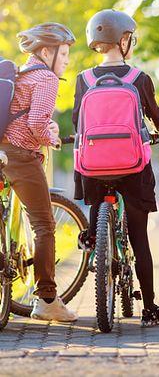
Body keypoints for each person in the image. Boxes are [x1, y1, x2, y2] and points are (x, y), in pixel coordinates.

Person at [72, 9, 159, 327]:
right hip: (133, 166)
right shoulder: (138, 78)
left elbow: (78, 120)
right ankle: (150, 308)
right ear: (125, 39)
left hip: (93, 166)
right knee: (139, 237)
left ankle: (93, 239)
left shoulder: (83, 80)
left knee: (95, 199)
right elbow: (155, 116)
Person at [0, 22, 78, 321]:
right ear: (47, 51)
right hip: (22, 155)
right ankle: (47, 299)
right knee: (44, 226)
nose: (67, 60)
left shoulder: (20, 73)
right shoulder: (46, 78)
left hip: (4, 152)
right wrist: (53, 138)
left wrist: (48, 127)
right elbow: (34, 125)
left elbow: (25, 116)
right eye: (65, 53)